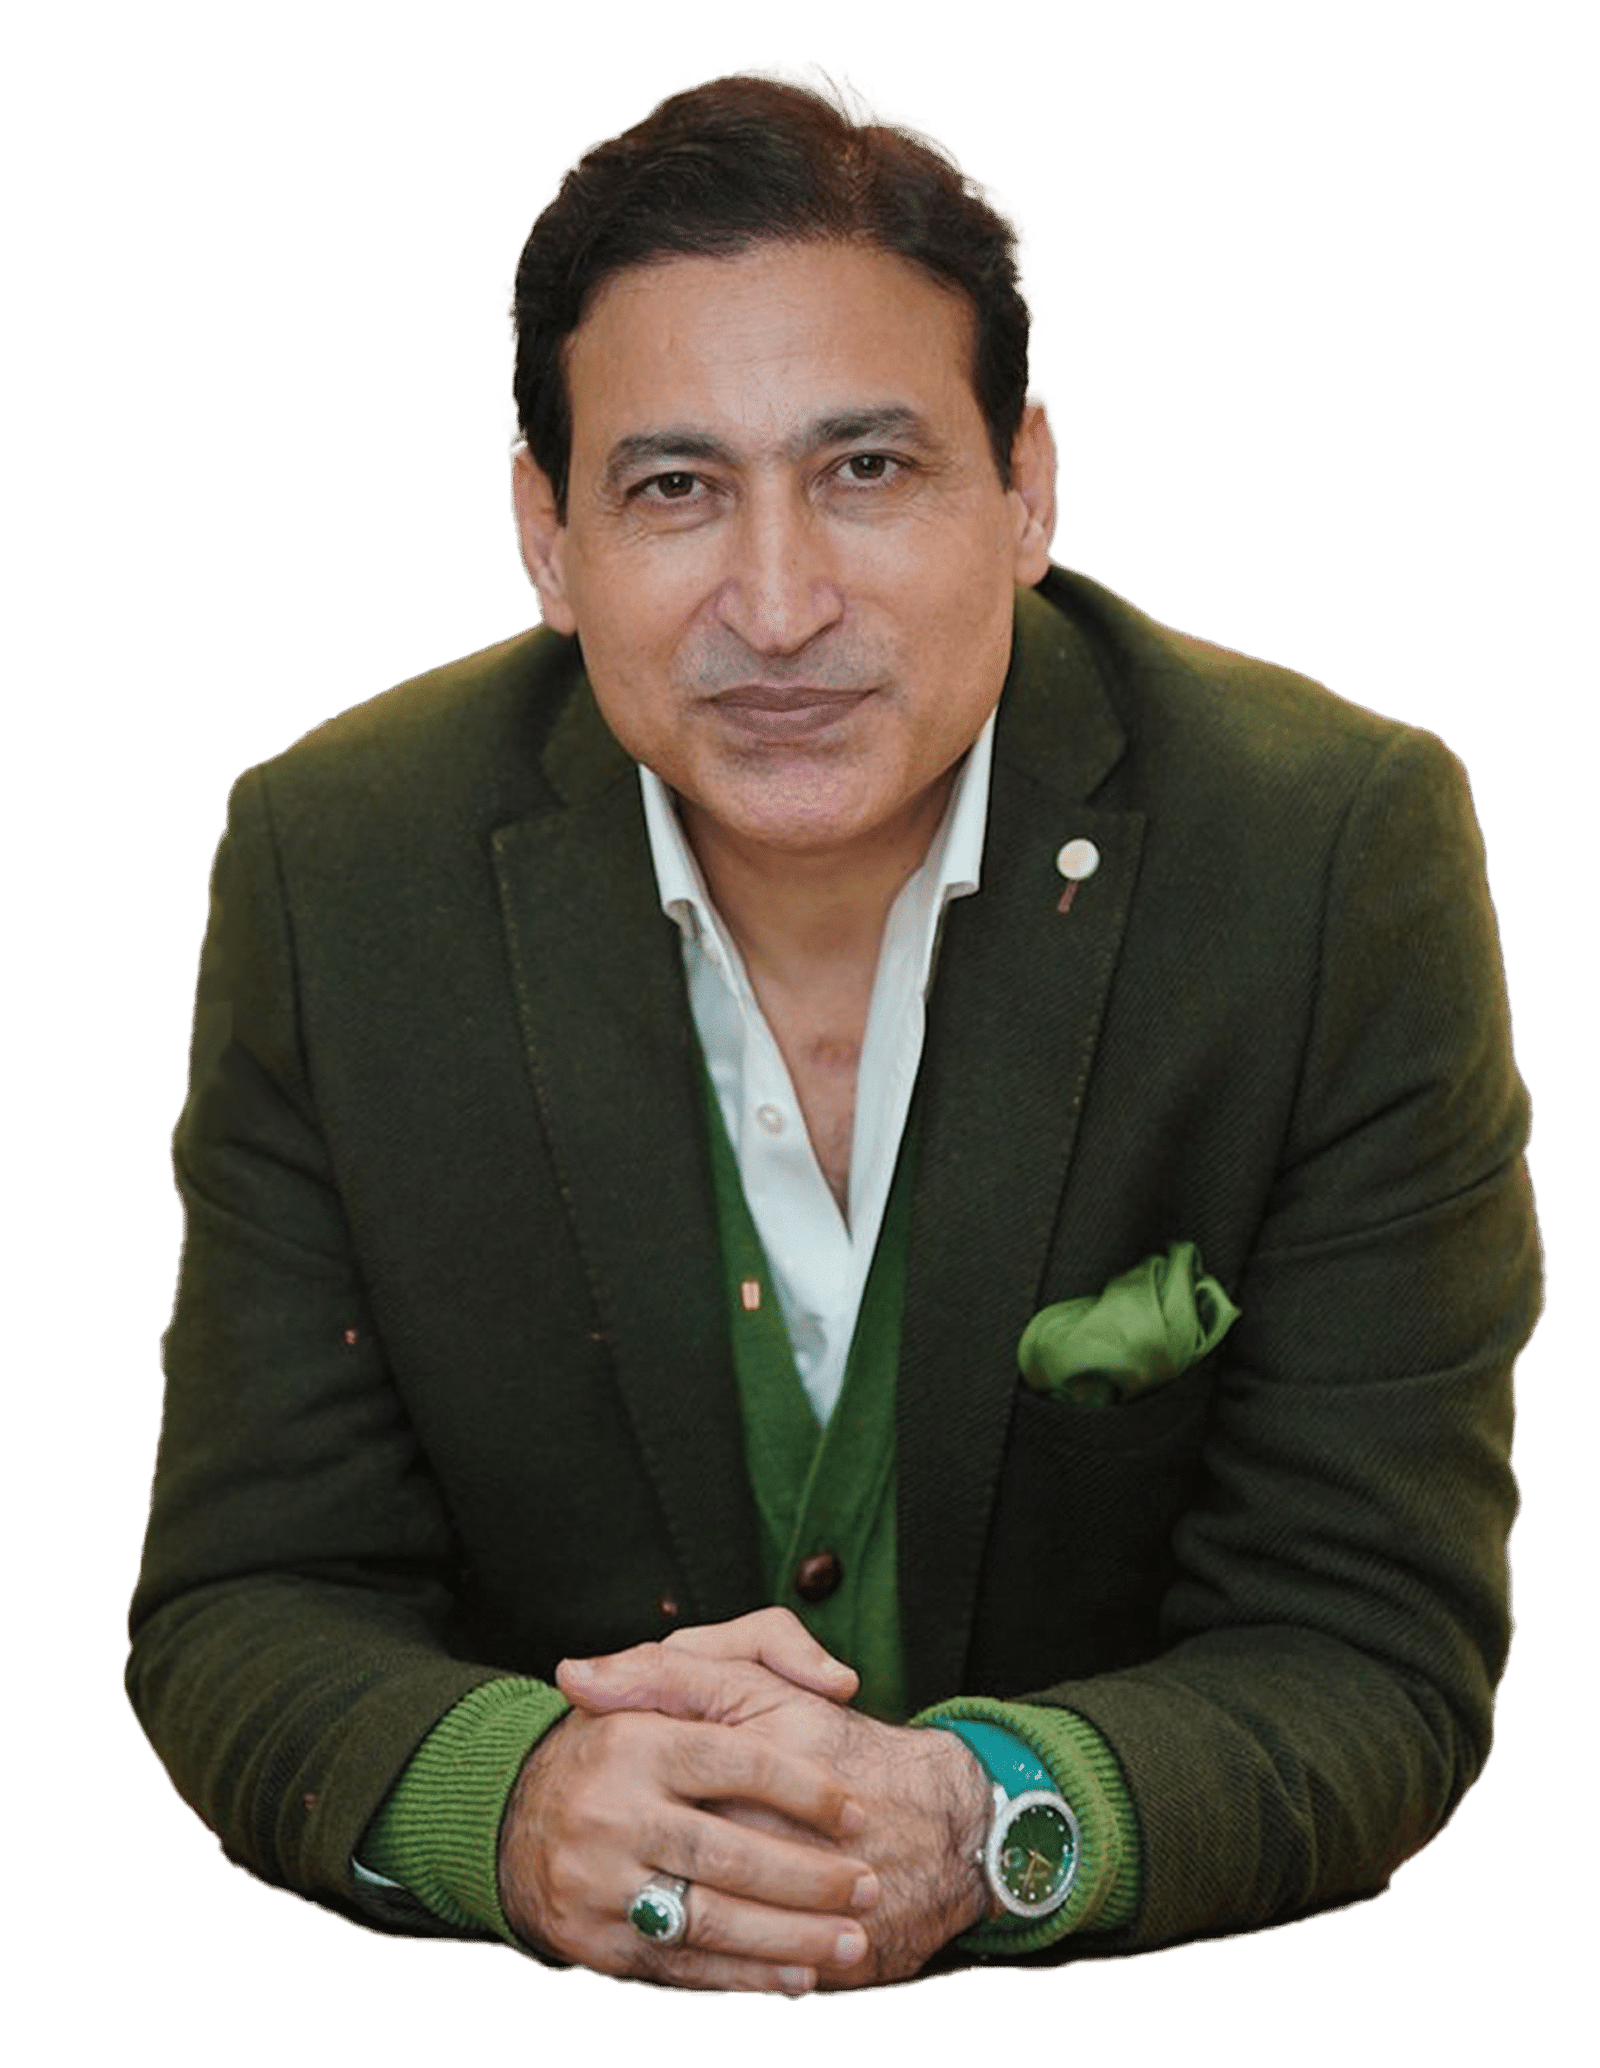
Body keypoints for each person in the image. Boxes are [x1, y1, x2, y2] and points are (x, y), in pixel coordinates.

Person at [127, 64, 1542, 1996]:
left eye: (867, 470)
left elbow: (1378, 1649)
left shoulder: (1330, 852)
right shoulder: (338, 867)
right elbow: (245, 1601)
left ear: (1027, 486)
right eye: (674, 489)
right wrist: (512, 1806)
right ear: (546, 533)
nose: (779, 605)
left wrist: (989, 1815)